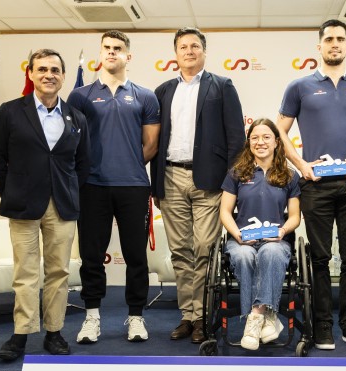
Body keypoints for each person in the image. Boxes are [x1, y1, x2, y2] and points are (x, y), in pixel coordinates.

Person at [0, 48, 90, 361]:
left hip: (62, 206)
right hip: (23, 205)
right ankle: (21, 333)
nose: (49, 75)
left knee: (58, 272)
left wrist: (68, 190)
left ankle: (54, 332)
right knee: (26, 273)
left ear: (62, 76)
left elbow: (82, 164)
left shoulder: (76, 117)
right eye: (42, 69)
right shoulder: (10, 112)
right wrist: (13, 191)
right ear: (30, 74)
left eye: (55, 70)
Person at [277, 19, 346, 350]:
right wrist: (301, 165)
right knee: (319, 258)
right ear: (318, 46)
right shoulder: (300, 86)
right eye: (329, 39)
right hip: (315, 186)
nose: (334, 44)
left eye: (340, 39)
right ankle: (321, 324)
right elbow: (280, 132)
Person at [152, 27, 245, 344]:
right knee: (180, 252)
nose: (188, 51)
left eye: (194, 46)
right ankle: (188, 316)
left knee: (204, 249)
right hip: (170, 177)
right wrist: (155, 186)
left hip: (209, 182)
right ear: (175, 53)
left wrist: (230, 184)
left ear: (203, 51)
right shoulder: (163, 91)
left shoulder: (222, 86)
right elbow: (155, 140)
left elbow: (236, 138)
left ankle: (204, 318)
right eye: (182, 46)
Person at [67, 30, 160, 344]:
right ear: (100, 53)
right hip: (92, 187)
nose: (111, 52)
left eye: (117, 48)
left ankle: (136, 317)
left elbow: (150, 144)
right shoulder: (80, 96)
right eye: (106, 47)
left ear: (128, 56)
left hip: (133, 186)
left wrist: (129, 162)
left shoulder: (145, 96)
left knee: (136, 257)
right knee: (92, 257)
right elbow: (73, 143)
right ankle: (92, 318)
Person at [219, 118, 301, 351]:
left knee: (271, 251)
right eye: (254, 137)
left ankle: (255, 317)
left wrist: (282, 231)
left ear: (276, 142)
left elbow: (295, 216)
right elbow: (225, 212)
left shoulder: (290, 175)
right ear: (249, 143)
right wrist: (237, 235)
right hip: (242, 239)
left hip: (275, 239)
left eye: (266, 137)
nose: (260, 142)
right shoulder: (236, 173)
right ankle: (269, 318)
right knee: (244, 256)